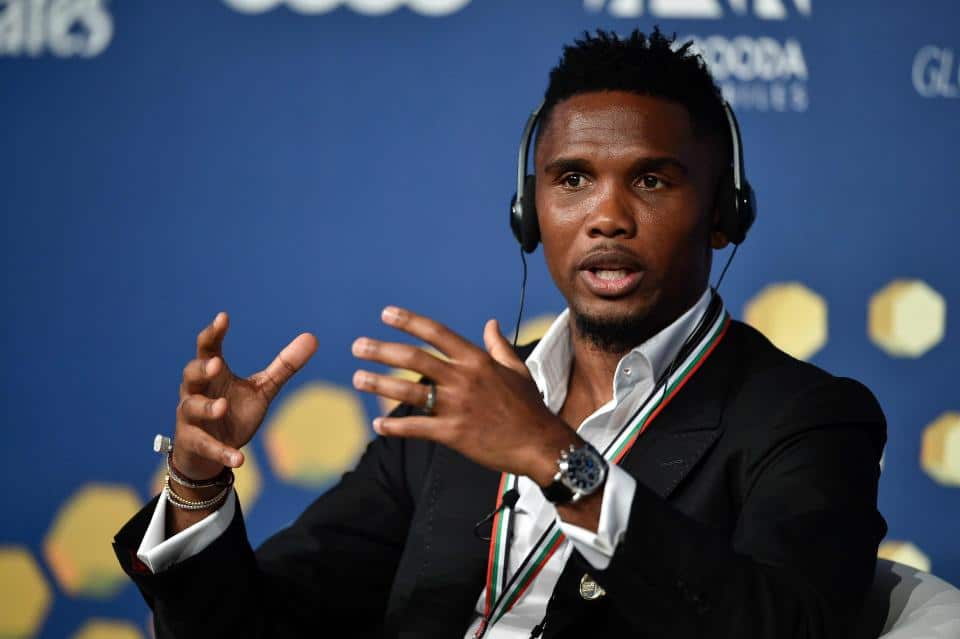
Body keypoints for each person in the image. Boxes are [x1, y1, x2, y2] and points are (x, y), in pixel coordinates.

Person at [113, 28, 887, 638]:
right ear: (529, 212)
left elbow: (790, 625)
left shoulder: (807, 419)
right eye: (573, 178)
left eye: (651, 179)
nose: (607, 217)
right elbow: (259, 624)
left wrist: (555, 457)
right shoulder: (452, 409)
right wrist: (196, 486)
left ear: (724, 214)